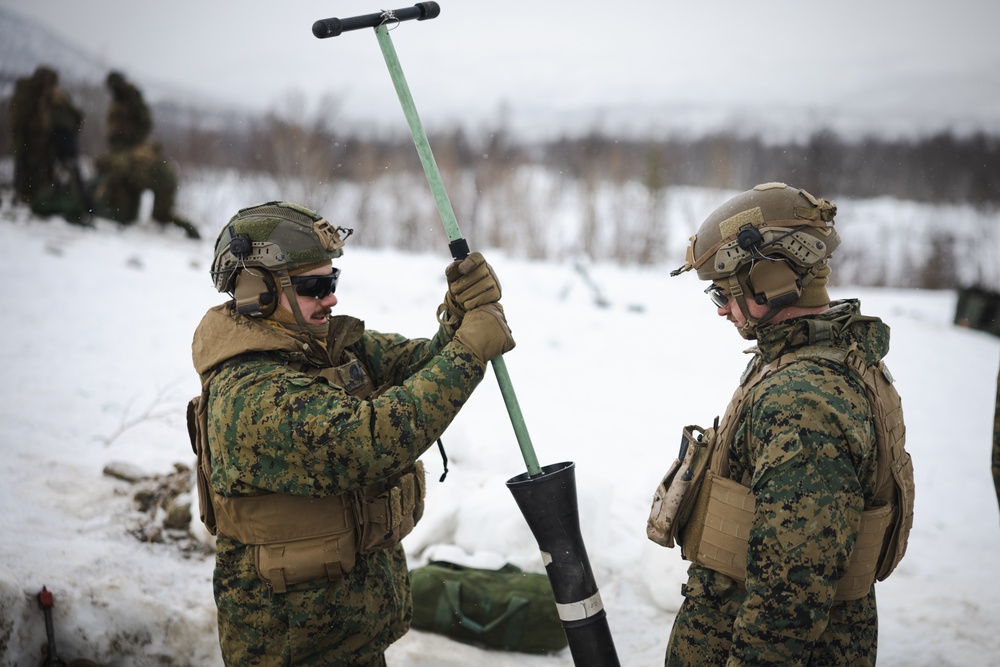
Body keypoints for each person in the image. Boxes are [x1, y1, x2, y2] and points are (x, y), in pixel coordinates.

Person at [188, 201, 515, 666]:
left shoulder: (321, 345)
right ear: (255, 290)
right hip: (292, 650)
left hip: (351, 640)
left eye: (332, 281)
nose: (332, 298)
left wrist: (458, 317)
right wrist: (468, 351)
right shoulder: (251, 393)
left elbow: (417, 368)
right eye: (314, 286)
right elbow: (370, 441)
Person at [647, 182, 914, 665]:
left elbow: (791, 594)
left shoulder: (802, 399)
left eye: (722, 293)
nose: (723, 310)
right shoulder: (809, 361)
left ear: (768, 279)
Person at [93, 70, 200, 238]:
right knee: (127, 215)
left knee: (158, 217)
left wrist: (102, 190)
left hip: (157, 181)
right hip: (142, 171)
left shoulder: (132, 102)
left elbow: (142, 127)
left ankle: (186, 227)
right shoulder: (121, 103)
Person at [7, 65, 90, 224]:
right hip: (31, 140)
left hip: (49, 141)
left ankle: (39, 199)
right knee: (26, 167)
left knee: (48, 170)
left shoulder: (54, 98)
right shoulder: (27, 95)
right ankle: (25, 197)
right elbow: (18, 121)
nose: (51, 88)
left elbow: (75, 117)